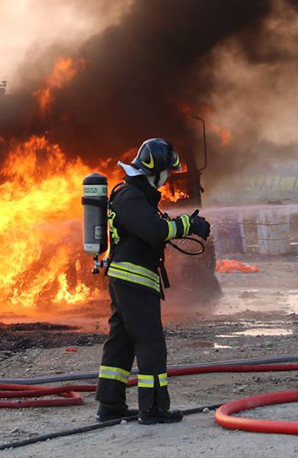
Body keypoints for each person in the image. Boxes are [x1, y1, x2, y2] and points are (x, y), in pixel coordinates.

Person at [94, 138, 210, 424]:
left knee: (121, 342)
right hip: (134, 280)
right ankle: (153, 408)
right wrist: (189, 224)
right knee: (150, 343)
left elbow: (152, 227)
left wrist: (180, 224)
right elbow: (155, 230)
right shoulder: (131, 197)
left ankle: (110, 404)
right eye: (166, 171)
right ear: (153, 169)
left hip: (127, 280)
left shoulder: (133, 195)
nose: (168, 177)